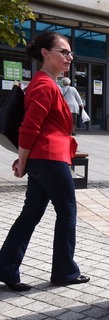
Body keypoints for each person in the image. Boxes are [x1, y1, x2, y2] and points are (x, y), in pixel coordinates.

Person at [0, 31, 90, 292]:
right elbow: (29, 128)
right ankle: (64, 272)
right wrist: (22, 161)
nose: (69, 57)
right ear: (45, 53)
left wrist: (26, 160)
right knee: (67, 211)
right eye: (64, 52)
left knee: (31, 214)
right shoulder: (44, 85)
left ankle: (6, 268)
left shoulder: (45, 83)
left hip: (45, 159)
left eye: (71, 53)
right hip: (50, 158)